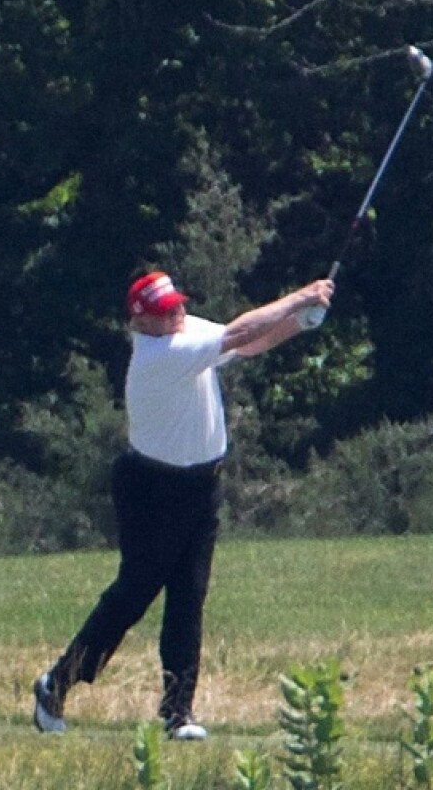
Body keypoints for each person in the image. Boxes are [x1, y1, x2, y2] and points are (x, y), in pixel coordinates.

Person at [32, 269, 334, 740]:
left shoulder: (183, 328)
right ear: (141, 322)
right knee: (133, 594)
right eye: (164, 311)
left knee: (188, 597)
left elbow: (245, 344)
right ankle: (57, 682)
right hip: (152, 489)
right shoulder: (158, 355)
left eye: (176, 304)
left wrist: (299, 324)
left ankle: (178, 713)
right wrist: (300, 298)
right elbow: (238, 331)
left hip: (199, 487)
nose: (176, 314)